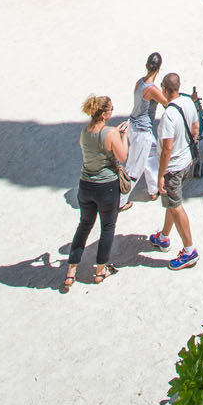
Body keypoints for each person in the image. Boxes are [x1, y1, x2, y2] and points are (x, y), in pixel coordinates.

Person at [61, 94, 129, 291]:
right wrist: (123, 136)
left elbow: (95, 144)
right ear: (105, 114)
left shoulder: (84, 132)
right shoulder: (111, 134)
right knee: (107, 227)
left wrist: (113, 133)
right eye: (111, 109)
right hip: (106, 186)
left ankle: (71, 271)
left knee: (84, 226)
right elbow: (122, 156)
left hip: (85, 185)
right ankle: (100, 270)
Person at [148, 73, 200, 270]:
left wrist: (160, 175)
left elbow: (167, 149)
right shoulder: (188, 102)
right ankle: (163, 237)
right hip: (186, 161)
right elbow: (195, 127)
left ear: (164, 89)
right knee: (172, 201)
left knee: (175, 205)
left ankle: (189, 251)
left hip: (173, 167)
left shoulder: (168, 115)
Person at [121, 51, 167, 209]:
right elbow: (166, 102)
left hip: (133, 125)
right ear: (159, 68)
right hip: (142, 131)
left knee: (151, 157)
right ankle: (120, 200)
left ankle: (154, 190)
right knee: (135, 167)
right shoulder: (152, 89)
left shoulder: (139, 82)